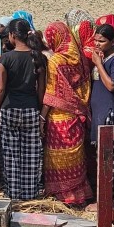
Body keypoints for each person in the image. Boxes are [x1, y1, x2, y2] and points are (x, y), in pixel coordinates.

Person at [0, 19, 46, 200]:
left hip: (9, 109)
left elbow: (0, 88)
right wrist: (38, 110)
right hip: (30, 109)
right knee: (31, 154)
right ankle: (30, 194)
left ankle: (14, 194)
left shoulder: (6, 59)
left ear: (12, 36)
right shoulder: (38, 57)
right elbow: (41, 89)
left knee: (10, 154)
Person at [42, 22, 93, 205]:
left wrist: (42, 117)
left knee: (57, 157)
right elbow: (85, 86)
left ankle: (63, 195)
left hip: (58, 117)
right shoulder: (79, 60)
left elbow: (51, 91)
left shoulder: (55, 61)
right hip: (76, 115)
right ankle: (79, 194)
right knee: (75, 158)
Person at [89, 24, 114, 144]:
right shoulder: (101, 57)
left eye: (101, 41)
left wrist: (99, 64)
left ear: (113, 41)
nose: (97, 44)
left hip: (109, 111)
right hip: (98, 110)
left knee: (110, 152)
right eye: (95, 40)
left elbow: (111, 86)